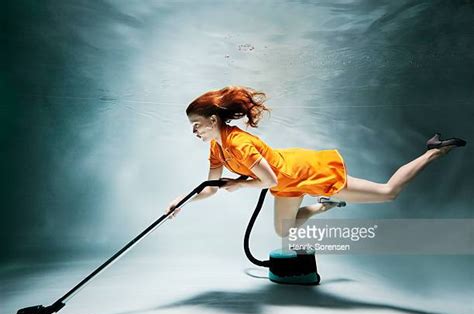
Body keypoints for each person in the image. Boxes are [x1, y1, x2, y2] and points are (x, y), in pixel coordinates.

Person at [166, 86, 466, 238]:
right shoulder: (218, 148)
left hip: (304, 172)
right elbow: (211, 188)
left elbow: (267, 181)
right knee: (283, 231)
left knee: (388, 193)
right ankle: (325, 205)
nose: (194, 131)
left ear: (213, 119)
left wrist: (239, 184)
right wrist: (182, 200)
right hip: (287, 182)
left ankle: (433, 151)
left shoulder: (239, 143)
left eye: (196, 124)